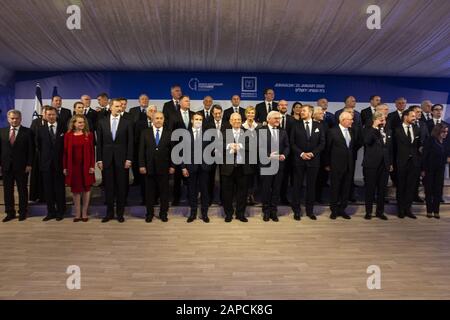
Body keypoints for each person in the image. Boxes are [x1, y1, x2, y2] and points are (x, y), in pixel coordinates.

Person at [96, 98, 134, 223]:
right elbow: (99, 143)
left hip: (122, 160)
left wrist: (129, 158)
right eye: (116, 106)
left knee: (121, 187)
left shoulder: (127, 122)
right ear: (110, 107)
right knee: (109, 187)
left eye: (120, 106)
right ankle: (109, 213)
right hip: (106, 160)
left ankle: (120, 214)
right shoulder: (102, 122)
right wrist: (99, 159)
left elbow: (130, 142)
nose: (119, 108)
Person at [290, 105, 326, 220]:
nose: (301, 112)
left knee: (311, 186)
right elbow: (292, 143)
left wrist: (312, 153)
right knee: (297, 186)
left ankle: (310, 211)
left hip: (313, 160)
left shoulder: (319, 126)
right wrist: (301, 154)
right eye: (301, 111)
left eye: (304, 110)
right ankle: (296, 210)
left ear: (310, 112)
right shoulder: (295, 125)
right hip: (299, 160)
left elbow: (322, 143)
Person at [139, 112, 175, 222]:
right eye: (156, 118)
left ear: (164, 119)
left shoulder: (169, 133)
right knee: (149, 193)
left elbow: (173, 151)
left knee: (164, 193)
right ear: (152, 120)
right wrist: (142, 165)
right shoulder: (145, 133)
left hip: (164, 168)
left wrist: (172, 166)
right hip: (149, 168)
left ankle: (163, 213)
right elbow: (141, 151)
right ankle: (149, 214)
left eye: (161, 118)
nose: (159, 120)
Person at [1, 110, 34, 222]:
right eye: (12, 118)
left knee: (22, 190)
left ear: (20, 119)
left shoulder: (28, 132)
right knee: (8, 191)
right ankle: (10, 212)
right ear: (8, 119)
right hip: (6, 167)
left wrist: (29, 164)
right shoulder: (2, 131)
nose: (14, 120)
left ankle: (23, 212)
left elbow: (31, 150)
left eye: (16, 118)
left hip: (22, 166)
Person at [220, 113, 253, 222]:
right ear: (230, 121)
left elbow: (253, 146)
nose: (237, 121)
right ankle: (228, 214)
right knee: (227, 193)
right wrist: (229, 146)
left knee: (242, 193)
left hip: (243, 168)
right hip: (227, 168)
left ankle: (240, 214)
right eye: (234, 120)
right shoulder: (224, 133)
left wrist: (240, 146)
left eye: (239, 119)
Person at [36, 106, 67, 221]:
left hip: (60, 164)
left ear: (56, 115)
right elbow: (39, 146)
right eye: (48, 114)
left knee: (59, 189)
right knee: (48, 190)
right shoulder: (41, 129)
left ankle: (61, 211)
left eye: (53, 114)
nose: (51, 116)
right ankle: (50, 212)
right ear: (45, 115)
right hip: (46, 164)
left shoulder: (63, 128)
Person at [181, 113, 213, 223]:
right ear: (192, 121)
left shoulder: (207, 134)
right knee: (192, 191)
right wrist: (183, 167)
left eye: (200, 119)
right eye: (196, 119)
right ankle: (193, 213)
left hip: (204, 167)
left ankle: (204, 214)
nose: (198, 121)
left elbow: (211, 150)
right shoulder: (185, 134)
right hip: (190, 167)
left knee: (205, 191)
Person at [63, 115, 96, 222]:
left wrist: (92, 166)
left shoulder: (89, 135)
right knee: (76, 191)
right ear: (74, 123)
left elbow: (92, 152)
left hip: (86, 166)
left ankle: (84, 213)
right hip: (73, 167)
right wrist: (65, 167)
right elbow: (65, 152)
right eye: (79, 122)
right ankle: (77, 214)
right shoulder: (68, 135)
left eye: (83, 122)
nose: (82, 124)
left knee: (86, 189)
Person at [325, 111, 357, 220]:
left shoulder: (352, 131)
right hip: (336, 165)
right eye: (350, 119)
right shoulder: (332, 131)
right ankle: (334, 210)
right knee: (335, 188)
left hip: (349, 165)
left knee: (345, 188)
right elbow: (327, 149)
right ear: (343, 120)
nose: (352, 121)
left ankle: (342, 209)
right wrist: (327, 163)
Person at [259, 111, 289, 221]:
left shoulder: (283, 132)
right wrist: (268, 156)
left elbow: (287, 146)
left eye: (279, 118)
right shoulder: (261, 131)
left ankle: (274, 211)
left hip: (279, 165)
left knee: (276, 189)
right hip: (266, 164)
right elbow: (258, 147)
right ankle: (266, 211)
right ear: (268, 119)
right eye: (276, 118)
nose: (278, 120)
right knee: (266, 189)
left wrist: (284, 155)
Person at [362, 112, 392, 220]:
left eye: (384, 119)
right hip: (371, 164)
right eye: (380, 119)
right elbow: (366, 141)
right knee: (370, 189)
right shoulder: (368, 130)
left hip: (384, 165)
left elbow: (390, 149)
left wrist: (390, 163)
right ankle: (368, 212)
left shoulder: (388, 131)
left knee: (382, 190)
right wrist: (374, 127)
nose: (383, 121)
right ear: (374, 120)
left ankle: (380, 212)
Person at [394, 109, 421, 219]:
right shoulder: (396, 130)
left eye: (415, 116)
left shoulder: (416, 129)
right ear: (405, 116)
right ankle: (400, 210)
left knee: (411, 187)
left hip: (413, 163)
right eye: (412, 116)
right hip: (401, 162)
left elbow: (417, 146)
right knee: (401, 187)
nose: (415, 118)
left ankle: (408, 209)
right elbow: (393, 148)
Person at [169, 95, 194, 206]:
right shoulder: (173, 116)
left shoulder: (194, 115)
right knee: (178, 177)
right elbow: (171, 134)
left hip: (191, 151)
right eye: (186, 101)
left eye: (189, 101)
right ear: (179, 102)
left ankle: (191, 198)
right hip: (178, 149)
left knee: (190, 176)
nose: (188, 102)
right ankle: (176, 199)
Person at [422, 123, 449, 219]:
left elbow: (446, 155)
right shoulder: (430, 140)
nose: (445, 134)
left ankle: (436, 211)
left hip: (440, 170)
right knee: (429, 191)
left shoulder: (446, 142)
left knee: (438, 191)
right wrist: (423, 169)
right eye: (443, 132)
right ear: (438, 131)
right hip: (429, 169)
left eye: (446, 132)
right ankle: (429, 211)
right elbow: (425, 156)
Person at [203, 104, 229, 205]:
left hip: (224, 155)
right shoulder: (207, 124)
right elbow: (206, 140)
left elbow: (229, 139)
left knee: (224, 179)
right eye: (216, 113)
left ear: (222, 113)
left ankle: (223, 200)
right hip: (211, 154)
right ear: (212, 114)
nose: (218, 115)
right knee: (210, 178)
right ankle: (209, 200)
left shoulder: (227, 124)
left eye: (219, 113)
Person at [134, 105, 157, 204]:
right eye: (150, 111)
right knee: (145, 181)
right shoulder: (139, 124)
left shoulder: (162, 124)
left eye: (154, 111)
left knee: (156, 181)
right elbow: (136, 142)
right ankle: (145, 200)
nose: (152, 112)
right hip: (145, 157)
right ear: (147, 113)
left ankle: (156, 199)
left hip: (157, 159)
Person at [242, 106, 261, 205]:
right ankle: (244, 196)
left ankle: (251, 196)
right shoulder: (241, 127)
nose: (250, 115)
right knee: (245, 178)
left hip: (257, 157)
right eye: (249, 113)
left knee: (253, 178)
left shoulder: (259, 126)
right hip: (245, 156)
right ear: (245, 114)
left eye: (252, 113)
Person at [312, 106, 330, 204]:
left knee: (322, 179)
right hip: (312, 156)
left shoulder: (325, 125)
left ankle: (318, 197)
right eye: (320, 113)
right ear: (314, 114)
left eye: (323, 113)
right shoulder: (309, 124)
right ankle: (311, 197)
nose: (323, 114)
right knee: (313, 179)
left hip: (323, 156)